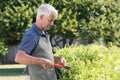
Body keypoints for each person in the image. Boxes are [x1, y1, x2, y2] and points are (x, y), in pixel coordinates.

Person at [15, 4, 67, 80]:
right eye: (50, 20)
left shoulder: (43, 33)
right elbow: (19, 57)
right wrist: (41, 61)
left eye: (53, 20)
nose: (52, 24)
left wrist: (57, 58)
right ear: (41, 17)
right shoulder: (32, 34)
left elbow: (40, 54)